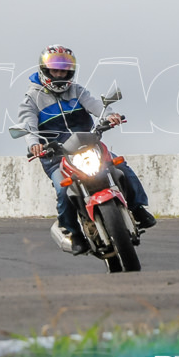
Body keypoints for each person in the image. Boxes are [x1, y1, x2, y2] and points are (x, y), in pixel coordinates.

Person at [18, 45, 156, 256]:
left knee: (120, 166)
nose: (59, 74)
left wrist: (109, 115)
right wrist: (34, 144)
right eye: (55, 70)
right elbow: (28, 125)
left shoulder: (77, 90)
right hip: (55, 155)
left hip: (88, 145)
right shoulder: (31, 98)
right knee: (63, 190)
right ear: (44, 70)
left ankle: (137, 208)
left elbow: (94, 104)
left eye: (63, 70)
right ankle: (73, 232)